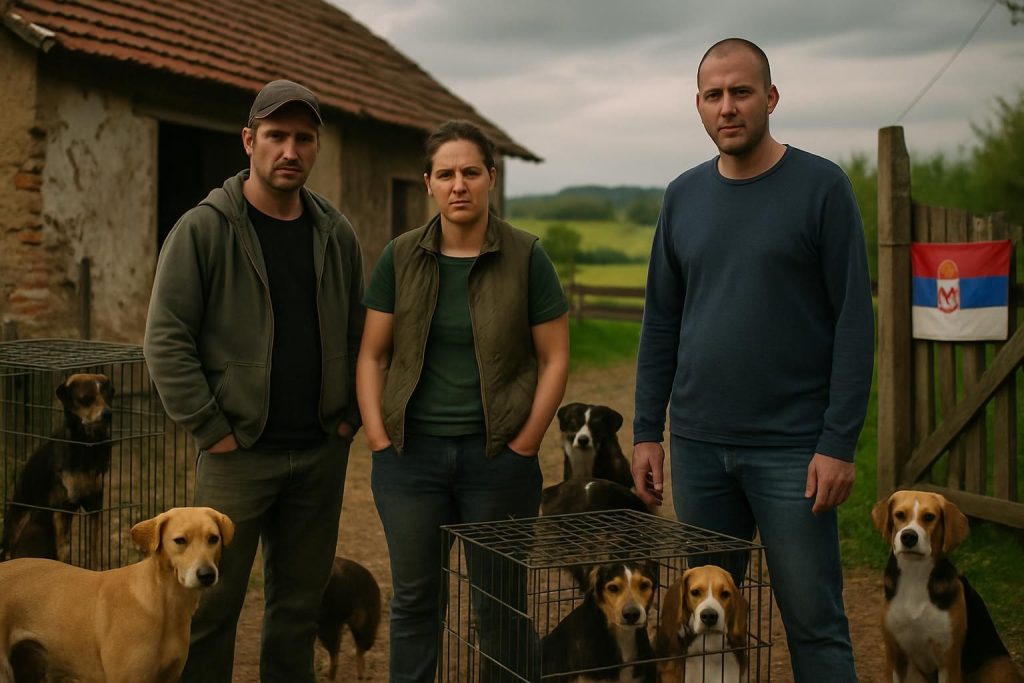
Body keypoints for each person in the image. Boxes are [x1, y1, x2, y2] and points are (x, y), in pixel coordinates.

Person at [631, 38, 873, 681]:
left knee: (814, 625)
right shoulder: (682, 196)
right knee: (702, 630)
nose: (727, 107)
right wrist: (648, 432)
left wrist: (839, 442)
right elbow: (661, 319)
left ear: (770, 98)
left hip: (794, 452)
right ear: (699, 106)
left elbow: (854, 321)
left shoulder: (822, 187)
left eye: (741, 92)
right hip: (703, 447)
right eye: (714, 95)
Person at [143, 79, 364, 682]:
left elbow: (359, 331)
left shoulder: (336, 234)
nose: (288, 150)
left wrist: (349, 419)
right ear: (249, 141)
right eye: (275, 136)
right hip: (237, 455)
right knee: (210, 608)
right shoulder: (203, 229)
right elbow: (166, 339)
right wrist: (213, 430)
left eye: (303, 138)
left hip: (319, 452)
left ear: (315, 148)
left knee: (298, 608)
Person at [357, 119, 570, 682]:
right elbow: (372, 356)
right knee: (415, 604)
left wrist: (525, 443)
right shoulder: (399, 257)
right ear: (427, 182)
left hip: (497, 461)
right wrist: (379, 438)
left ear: (490, 179)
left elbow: (554, 360)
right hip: (410, 462)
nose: (459, 185)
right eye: (446, 174)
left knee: (499, 607)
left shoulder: (527, 257)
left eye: (470, 172)